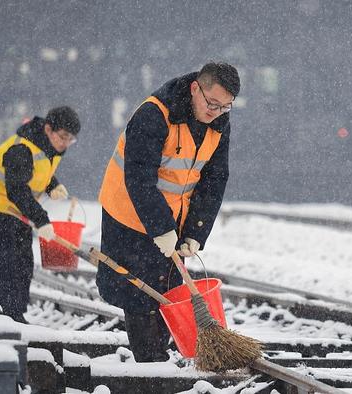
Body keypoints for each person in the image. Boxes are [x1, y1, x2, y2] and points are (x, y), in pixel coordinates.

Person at [97, 62, 239, 362]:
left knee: (170, 291)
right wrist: (161, 228)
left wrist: (195, 232)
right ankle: (152, 364)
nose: (216, 112)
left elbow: (214, 181)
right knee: (141, 293)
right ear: (194, 89)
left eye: (225, 107)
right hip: (128, 215)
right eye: (212, 103)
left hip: (171, 219)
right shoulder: (154, 115)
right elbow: (138, 178)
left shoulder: (218, 124)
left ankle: (167, 355)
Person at [0, 106, 81, 323]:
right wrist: (42, 220)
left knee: (23, 264)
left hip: (15, 211)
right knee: (6, 265)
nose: (66, 144)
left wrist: (52, 186)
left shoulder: (50, 146)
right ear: (48, 129)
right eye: (64, 137)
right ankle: (9, 318)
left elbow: (37, 172)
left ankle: (16, 314)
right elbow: (17, 189)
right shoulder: (21, 149)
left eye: (71, 139)